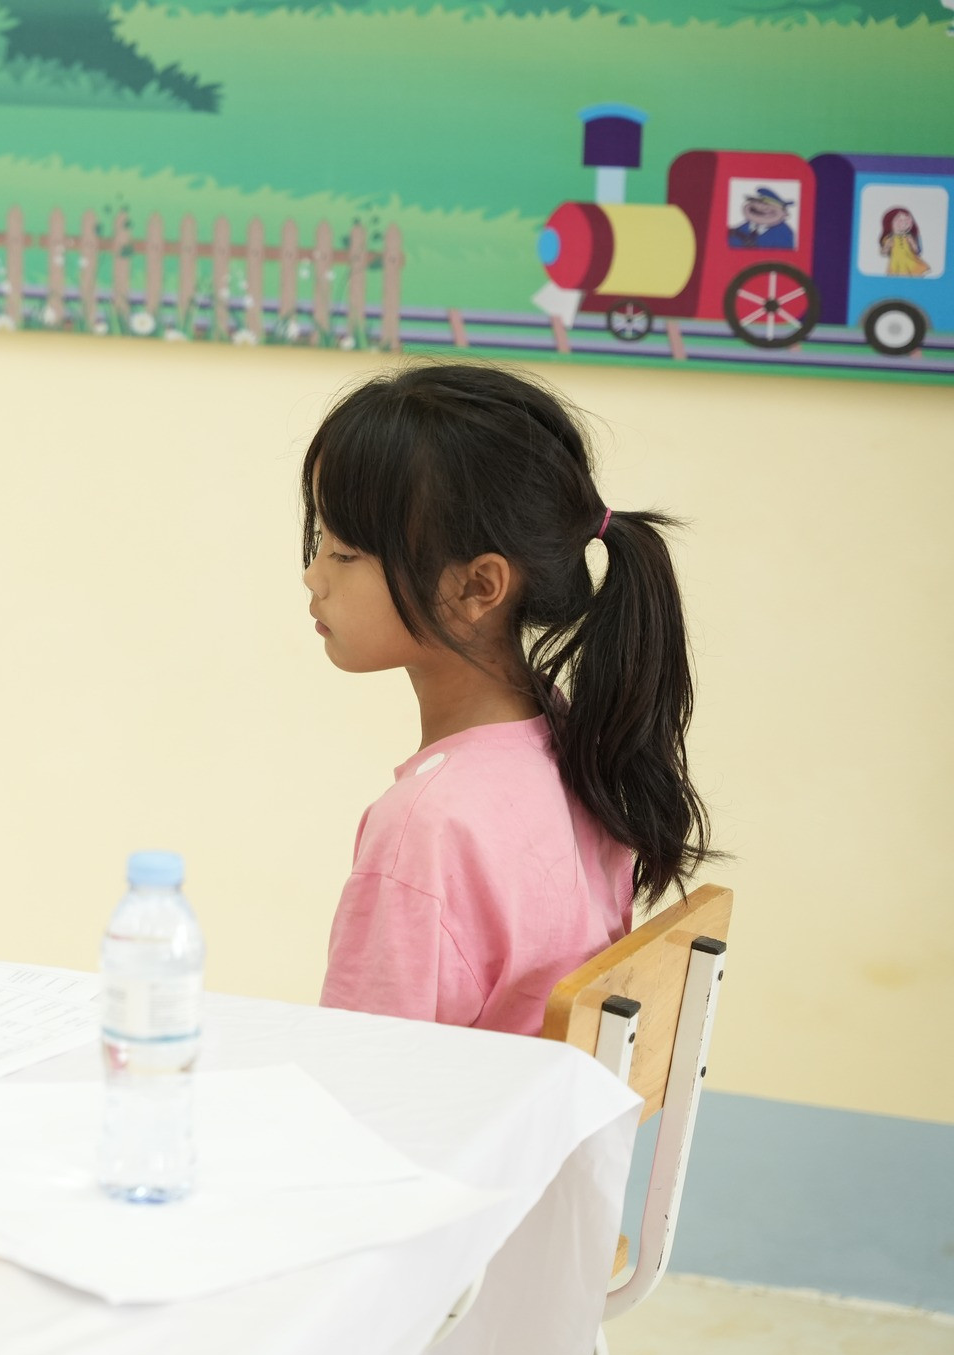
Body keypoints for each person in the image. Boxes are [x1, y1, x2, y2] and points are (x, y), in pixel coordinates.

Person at [299, 364, 713, 1034]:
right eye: (321, 540)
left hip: (465, 1108)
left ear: (477, 587)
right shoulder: (569, 736)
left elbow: (362, 1079)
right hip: (551, 1102)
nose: (312, 575)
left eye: (344, 554)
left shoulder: (424, 829)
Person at [727, 187, 795, 250]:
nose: (759, 207)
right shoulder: (744, 226)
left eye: (766, 205)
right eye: (757, 202)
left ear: (784, 213)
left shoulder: (784, 232)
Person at [879, 206, 930, 277]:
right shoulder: (888, 238)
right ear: (889, 222)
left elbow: (917, 252)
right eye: (899, 220)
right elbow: (883, 253)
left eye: (907, 219)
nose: (904, 223)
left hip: (912, 263)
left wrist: (912, 243)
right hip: (896, 265)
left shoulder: (909, 237)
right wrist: (887, 246)